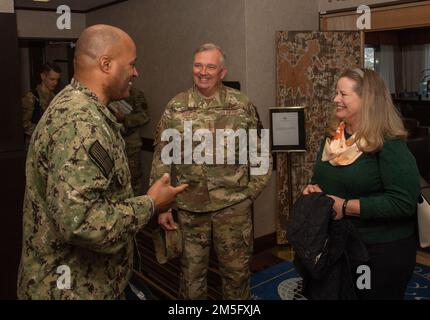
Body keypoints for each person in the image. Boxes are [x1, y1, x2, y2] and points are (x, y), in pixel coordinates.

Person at [17, 24, 187, 300]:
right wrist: (151, 203)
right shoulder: (79, 122)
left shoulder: (83, 109)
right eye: (131, 64)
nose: (136, 72)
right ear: (106, 64)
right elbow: (81, 223)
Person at [150, 43, 272, 299]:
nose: (203, 72)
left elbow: (260, 154)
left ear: (222, 72)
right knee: (191, 276)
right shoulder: (176, 106)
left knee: (237, 275)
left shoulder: (241, 105)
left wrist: (250, 193)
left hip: (233, 211)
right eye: (198, 65)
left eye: (210, 66)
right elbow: (162, 158)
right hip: (189, 210)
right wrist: (162, 207)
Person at [303, 68, 420, 300]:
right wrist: (313, 189)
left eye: (343, 94)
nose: (336, 99)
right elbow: (321, 179)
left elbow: (403, 203)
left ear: (367, 99)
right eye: (336, 93)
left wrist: (346, 207)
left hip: (378, 250)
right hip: (338, 243)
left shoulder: (388, 143)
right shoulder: (333, 137)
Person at [111, 87, 150, 196]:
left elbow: (144, 116)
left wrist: (125, 118)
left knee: (134, 179)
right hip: (113, 144)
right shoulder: (109, 93)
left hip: (130, 145)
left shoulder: (135, 94)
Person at [22, 62, 61, 149]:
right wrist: (42, 131)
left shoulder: (56, 98)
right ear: (43, 76)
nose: (55, 83)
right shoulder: (31, 97)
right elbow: (24, 123)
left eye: (57, 80)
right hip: (33, 145)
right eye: (52, 79)